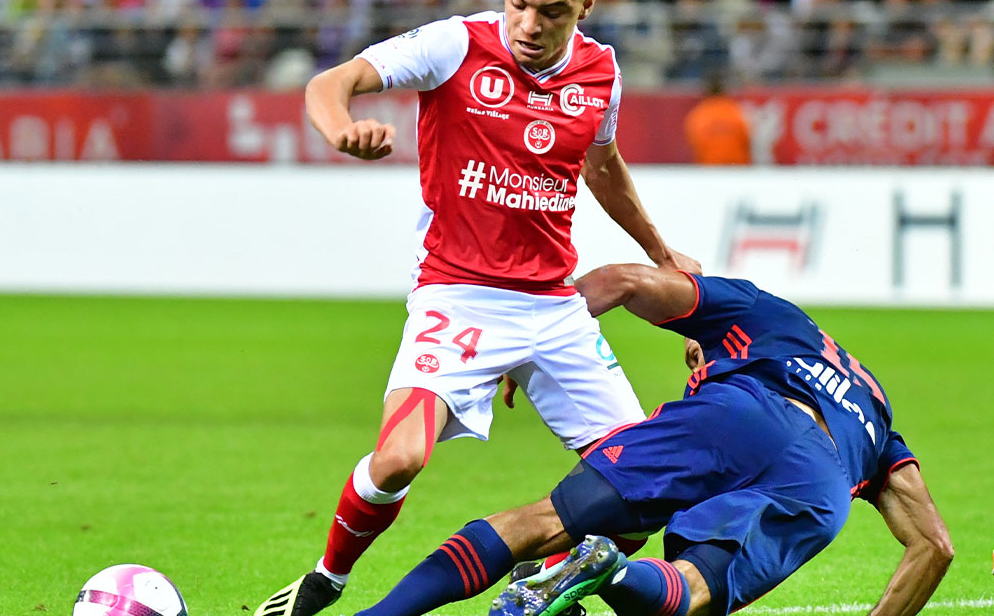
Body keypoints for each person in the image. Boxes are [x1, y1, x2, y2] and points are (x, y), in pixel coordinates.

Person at [253, 0, 699, 615]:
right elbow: (330, 82)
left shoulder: (601, 72)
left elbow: (602, 168)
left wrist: (662, 253)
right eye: (518, 2)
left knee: (639, 493)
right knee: (399, 458)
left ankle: (541, 585)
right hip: (457, 297)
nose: (529, 23)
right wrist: (342, 130)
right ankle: (327, 578)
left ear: (586, 6)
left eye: (552, 11)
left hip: (554, 308)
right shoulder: (455, 44)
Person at [352, 264, 952, 616]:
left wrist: (519, 348)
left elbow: (623, 281)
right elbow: (935, 547)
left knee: (537, 524)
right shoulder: (875, 405)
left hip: (738, 414)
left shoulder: (764, 312)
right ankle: (608, 569)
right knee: (689, 591)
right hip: (820, 476)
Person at [683, 72, 750, 165]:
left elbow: (695, 144)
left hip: (709, 170)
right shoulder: (738, 112)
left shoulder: (698, 115)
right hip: (736, 169)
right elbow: (747, 140)